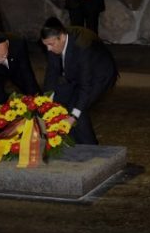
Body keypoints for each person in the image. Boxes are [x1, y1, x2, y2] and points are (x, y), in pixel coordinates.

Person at [41, 17, 118, 145]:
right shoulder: (52, 41)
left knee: (76, 108)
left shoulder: (82, 46)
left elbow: (85, 86)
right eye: (45, 45)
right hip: (77, 71)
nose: (48, 49)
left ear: (62, 37)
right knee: (60, 101)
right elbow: (52, 73)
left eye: (50, 45)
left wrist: (74, 116)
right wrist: (46, 99)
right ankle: (73, 143)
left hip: (99, 75)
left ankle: (91, 148)